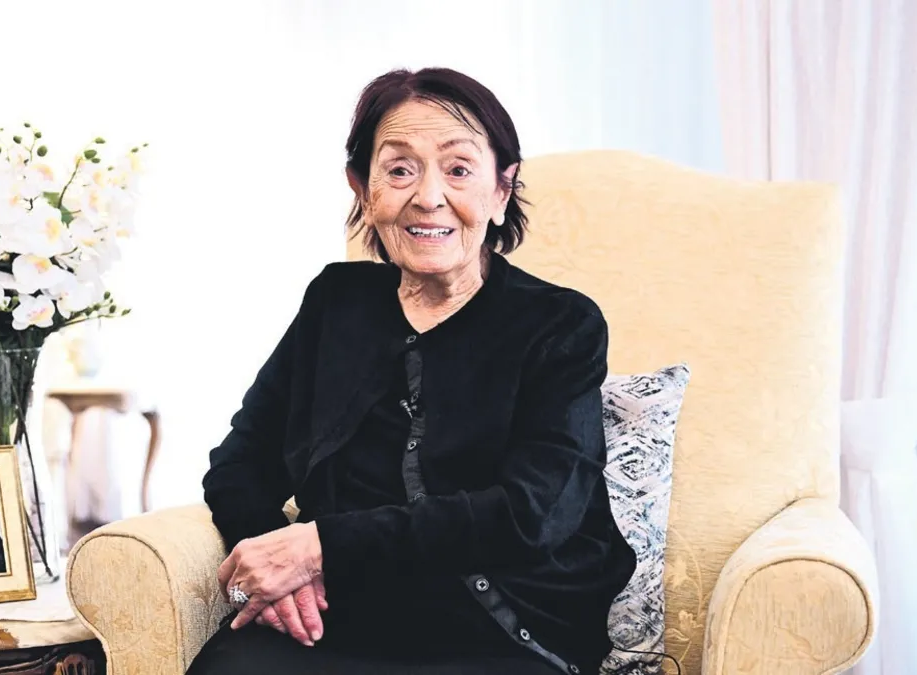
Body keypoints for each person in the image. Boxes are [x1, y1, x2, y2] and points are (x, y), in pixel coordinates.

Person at [191, 68, 638, 675]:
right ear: (362, 189)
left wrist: (320, 547)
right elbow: (240, 464)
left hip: (501, 624)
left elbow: (533, 513)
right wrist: (280, 568)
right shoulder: (335, 303)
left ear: (501, 190)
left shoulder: (560, 324)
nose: (428, 197)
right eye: (400, 170)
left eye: (458, 169)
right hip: (340, 615)